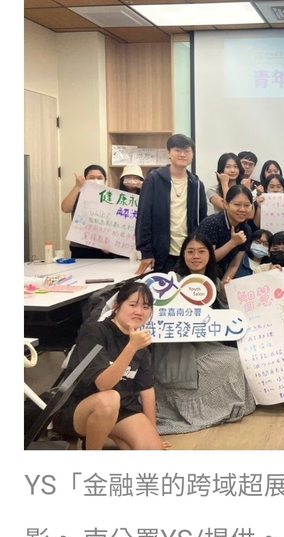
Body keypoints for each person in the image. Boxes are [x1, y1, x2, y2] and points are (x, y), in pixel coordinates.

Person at [151, 233, 256, 434]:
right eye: (190, 252)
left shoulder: (213, 281)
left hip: (203, 344)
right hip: (176, 350)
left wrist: (225, 293)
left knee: (237, 356)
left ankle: (225, 405)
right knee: (232, 359)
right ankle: (202, 408)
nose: (196, 256)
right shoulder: (171, 282)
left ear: (210, 255)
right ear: (183, 255)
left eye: (201, 251)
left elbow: (223, 317)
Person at [52, 282, 166, 450]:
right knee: (109, 399)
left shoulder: (140, 344)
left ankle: (109, 434)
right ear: (116, 306)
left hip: (123, 409)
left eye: (146, 307)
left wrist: (154, 434)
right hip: (80, 407)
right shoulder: (95, 331)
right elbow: (103, 385)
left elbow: (147, 391)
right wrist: (131, 347)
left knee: (152, 451)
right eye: (133, 305)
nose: (139, 311)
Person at [135, 134, 208, 274]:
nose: (182, 154)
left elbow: (202, 219)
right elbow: (144, 217)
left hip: (189, 254)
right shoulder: (154, 179)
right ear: (169, 153)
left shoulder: (197, 184)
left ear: (192, 154)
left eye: (187, 151)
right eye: (177, 150)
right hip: (161, 254)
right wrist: (146, 252)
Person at [197, 184, 254, 284]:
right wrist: (233, 243)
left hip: (222, 275)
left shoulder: (246, 230)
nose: (242, 209)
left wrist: (224, 284)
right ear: (226, 204)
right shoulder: (212, 223)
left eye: (247, 205)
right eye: (237, 204)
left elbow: (235, 264)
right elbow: (206, 258)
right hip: (198, 275)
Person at [61, 164, 114, 259]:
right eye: (91, 178)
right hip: (81, 247)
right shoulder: (78, 194)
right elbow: (65, 208)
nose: (95, 180)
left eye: (99, 178)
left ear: (105, 180)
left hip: (105, 248)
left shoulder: (111, 197)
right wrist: (77, 186)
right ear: (85, 179)